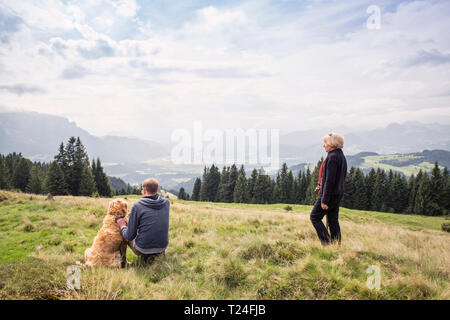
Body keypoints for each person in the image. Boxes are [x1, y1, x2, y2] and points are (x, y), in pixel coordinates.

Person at [116, 178, 170, 264]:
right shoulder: (166, 203)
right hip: (162, 246)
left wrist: (122, 225)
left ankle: (123, 262)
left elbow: (130, 236)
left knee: (124, 233)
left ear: (144, 190)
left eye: (142, 189)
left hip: (142, 249)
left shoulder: (137, 206)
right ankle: (157, 254)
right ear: (157, 190)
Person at [310, 133, 347, 245]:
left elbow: (329, 181)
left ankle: (327, 243)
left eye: (325, 143)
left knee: (314, 217)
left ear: (332, 144)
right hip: (337, 193)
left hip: (329, 194)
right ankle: (336, 244)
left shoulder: (332, 158)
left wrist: (324, 199)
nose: (324, 145)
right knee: (332, 220)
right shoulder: (340, 155)